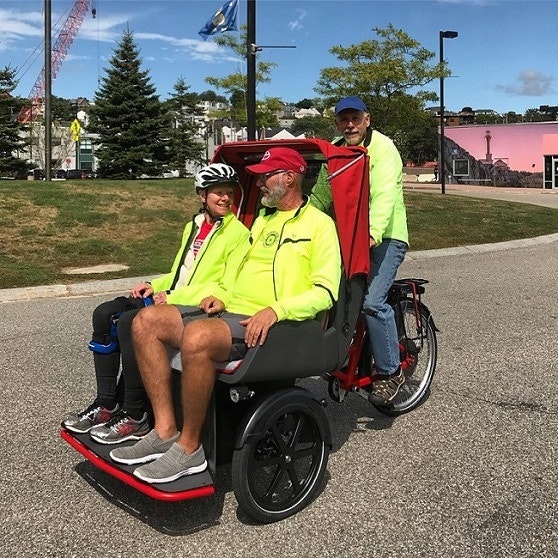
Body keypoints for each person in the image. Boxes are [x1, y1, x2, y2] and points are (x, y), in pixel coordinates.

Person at [109, 147, 342, 483]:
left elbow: (325, 292)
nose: (260, 182)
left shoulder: (320, 226)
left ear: (290, 178)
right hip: (233, 311)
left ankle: (190, 450)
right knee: (146, 321)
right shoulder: (262, 222)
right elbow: (239, 275)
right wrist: (221, 295)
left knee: (198, 336)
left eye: (267, 175)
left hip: (277, 324)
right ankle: (164, 430)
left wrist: (276, 310)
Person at [62, 163, 251, 443]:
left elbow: (224, 286)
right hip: (176, 296)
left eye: (228, 193)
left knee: (128, 323)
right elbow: (180, 274)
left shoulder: (238, 235)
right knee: (104, 314)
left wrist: (171, 297)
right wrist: (154, 285)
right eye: (217, 193)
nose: (224, 198)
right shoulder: (194, 227)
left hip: (196, 305)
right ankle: (106, 403)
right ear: (202, 196)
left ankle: (135, 414)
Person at [310, 95, 409, 405]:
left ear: (367, 119)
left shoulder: (383, 148)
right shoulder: (336, 149)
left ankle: (392, 371)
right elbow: (320, 195)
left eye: (355, 118)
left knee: (370, 302)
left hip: (386, 236)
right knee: (332, 293)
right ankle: (340, 353)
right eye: (343, 119)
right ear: (337, 123)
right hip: (349, 235)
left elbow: (384, 194)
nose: (349, 124)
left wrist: (372, 233)